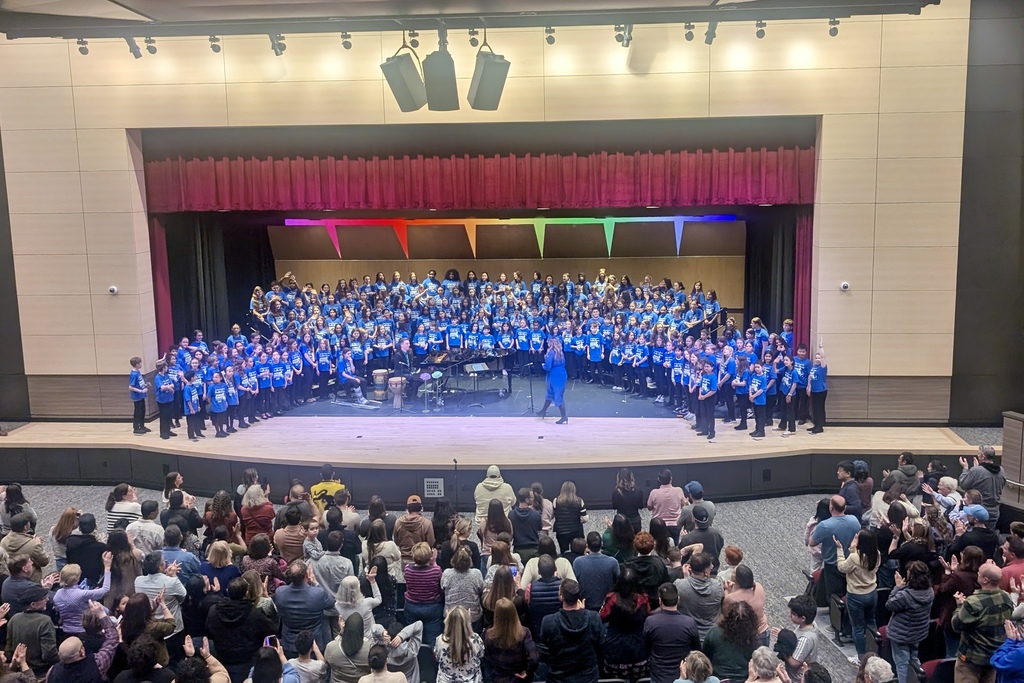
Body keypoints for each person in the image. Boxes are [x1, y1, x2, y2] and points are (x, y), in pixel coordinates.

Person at [206, 577, 279, 683]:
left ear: (227, 591)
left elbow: (209, 632)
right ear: (246, 593)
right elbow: (272, 630)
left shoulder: (213, 611)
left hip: (223, 658)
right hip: (247, 661)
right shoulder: (255, 614)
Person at [951, 560, 1014, 683]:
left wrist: (959, 607)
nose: (977, 575)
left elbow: (956, 625)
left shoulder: (973, 602)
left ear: (985, 580)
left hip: (971, 659)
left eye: (979, 574)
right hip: (993, 657)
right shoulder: (1006, 597)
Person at [537, 580, 602, 683]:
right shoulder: (594, 618)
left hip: (558, 679)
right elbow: (599, 646)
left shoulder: (548, 621)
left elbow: (544, 653)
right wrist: (583, 613)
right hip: (588, 678)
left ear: (561, 597)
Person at [46, 599, 120, 683]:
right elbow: (113, 639)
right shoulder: (97, 664)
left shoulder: (52, 672)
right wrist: (102, 614)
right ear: (82, 651)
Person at [885, 560, 934, 683]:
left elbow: (890, 604)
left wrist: (897, 587)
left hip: (901, 634)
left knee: (901, 663)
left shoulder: (905, 596)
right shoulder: (930, 591)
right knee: (913, 658)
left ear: (911, 576)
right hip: (918, 632)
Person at [274, 560, 335, 657]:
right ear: (307, 575)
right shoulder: (317, 593)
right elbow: (331, 602)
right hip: (314, 645)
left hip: (289, 645)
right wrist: (316, 583)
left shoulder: (280, 593)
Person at [643, 583, 700, 683]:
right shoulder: (689, 623)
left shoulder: (650, 622)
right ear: (678, 599)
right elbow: (696, 649)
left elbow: (646, 647)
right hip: (683, 676)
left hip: (658, 676)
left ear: (660, 600)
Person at [835, 530, 879, 660]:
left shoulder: (855, 557)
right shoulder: (876, 554)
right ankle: (874, 652)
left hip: (856, 595)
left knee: (858, 627)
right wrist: (853, 549)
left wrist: (840, 551)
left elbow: (842, 567)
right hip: (872, 592)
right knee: (871, 622)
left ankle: (861, 657)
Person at [808, 495, 860, 599]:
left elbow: (812, 543)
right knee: (848, 592)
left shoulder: (825, 525)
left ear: (831, 508)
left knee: (833, 597)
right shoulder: (854, 520)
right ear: (845, 508)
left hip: (833, 566)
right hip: (850, 562)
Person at [6, 582, 58, 676]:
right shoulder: (45, 621)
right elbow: (49, 654)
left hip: (18, 671)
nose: (47, 599)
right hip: (40, 672)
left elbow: (8, 650)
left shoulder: (14, 618)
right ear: (33, 604)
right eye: (43, 598)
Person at [53, 553, 112, 634]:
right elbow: (105, 589)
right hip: (82, 630)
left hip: (66, 630)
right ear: (77, 578)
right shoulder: (82, 594)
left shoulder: (57, 595)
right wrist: (107, 568)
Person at [483, 597, 538, 683]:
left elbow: (486, 660)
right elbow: (534, 658)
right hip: (518, 679)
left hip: (498, 679)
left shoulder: (488, 635)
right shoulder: (524, 632)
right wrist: (527, 672)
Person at [700, 600, 758, 681]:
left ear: (728, 617)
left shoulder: (715, 633)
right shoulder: (754, 640)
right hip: (743, 680)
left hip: (717, 678)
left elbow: (705, 655)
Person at [674, 552, 723, 643]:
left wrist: (686, 579)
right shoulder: (717, 587)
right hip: (710, 635)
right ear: (706, 571)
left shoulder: (679, 585)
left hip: (687, 633)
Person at [401, 542, 443, 647]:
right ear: (429, 556)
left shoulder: (408, 569)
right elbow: (440, 584)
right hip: (432, 608)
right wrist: (434, 562)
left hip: (412, 606)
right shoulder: (436, 570)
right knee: (433, 639)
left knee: (413, 637)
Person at [770, 595, 819, 681]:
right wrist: (785, 635)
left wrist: (783, 641)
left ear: (803, 618)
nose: (790, 616)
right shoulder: (811, 624)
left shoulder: (805, 639)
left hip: (797, 678)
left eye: (793, 614)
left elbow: (794, 662)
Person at [958, 445, 1006, 528]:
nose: (978, 455)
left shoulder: (976, 471)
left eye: (979, 453)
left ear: (983, 456)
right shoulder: (1001, 470)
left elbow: (963, 484)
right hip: (995, 510)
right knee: (989, 535)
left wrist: (965, 469)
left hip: (978, 510)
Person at [434, 606, 484, 683]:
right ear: (468, 622)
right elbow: (481, 655)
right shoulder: (475, 639)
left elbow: (437, 658)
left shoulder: (440, 640)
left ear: (448, 621)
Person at [573, 532, 620, 611]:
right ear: (601, 544)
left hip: (586, 606)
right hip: (608, 605)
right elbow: (618, 582)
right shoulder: (613, 562)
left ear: (587, 546)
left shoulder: (578, 562)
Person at [441, 546, 484, 629]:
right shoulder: (476, 573)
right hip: (472, 617)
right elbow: (481, 590)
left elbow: (442, 589)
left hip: (451, 615)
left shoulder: (446, 573)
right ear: (470, 559)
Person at [3, 512, 52, 582]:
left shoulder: (3, 541)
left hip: (13, 579)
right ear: (26, 527)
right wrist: (37, 543)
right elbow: (44, 561)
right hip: (31, 579)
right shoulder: (33, 544)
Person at [678, 506, 725, 571]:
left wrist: (684, 538)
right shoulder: (717, 532)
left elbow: (681, 554)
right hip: (713, 568)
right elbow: (720, 545)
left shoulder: (688, 538)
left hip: (695, 571)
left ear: (693, 519)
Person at [393, 496, 435, 565]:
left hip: (405, 559)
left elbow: (397, 541)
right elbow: (431, 543)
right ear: (420, 508)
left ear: (408, 508)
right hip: (422, 558)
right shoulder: (426, 523)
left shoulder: (398, 522)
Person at [536, 335, 568, 424]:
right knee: (551, 393)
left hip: (554, 375)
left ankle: (564, 416)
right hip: (562, 373)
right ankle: (543, 411)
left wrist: (543, 366)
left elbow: (548, 367)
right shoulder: (560, 352)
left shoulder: (550, 353)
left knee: (557, 395)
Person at [647, 469, 685, 544]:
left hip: (659, 525)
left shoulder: (653, 493)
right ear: (671, 479)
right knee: (674, 545)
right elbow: (683, 504)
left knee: (659, 546)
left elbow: (649, 507)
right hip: (675, 524)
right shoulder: (679, 490)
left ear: (659, 480)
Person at [552, 481, 587, 555]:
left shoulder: (556, 501)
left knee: (564, 551)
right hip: (576, 530)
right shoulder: (579, 501)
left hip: (561, 532)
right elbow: (585, 518)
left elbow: (553, 514)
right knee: (578, 551)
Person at [508, 488, 542, 564]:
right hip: (534, 549)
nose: (533, 499)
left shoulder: (511, 515)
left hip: (518, 550)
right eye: (532, 497)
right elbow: (540, 528)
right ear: (527, 500)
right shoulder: (536, 514)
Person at [611, 468, 644, 534]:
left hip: (621, 521)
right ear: (632, 478)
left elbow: (614, 507)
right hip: (635, 521)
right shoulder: (638, 491)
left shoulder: (615, 492)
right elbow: (641, 506)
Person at [806, 340, 827, 433]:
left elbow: (823, 357)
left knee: (819, 408)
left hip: (821, 391)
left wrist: (821, 347)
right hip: (814, 390)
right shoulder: (814, 367)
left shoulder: (822, 368)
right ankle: (816, 425)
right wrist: (809, 386)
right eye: (816, 357)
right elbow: (810, 376)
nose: (818, 359)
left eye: (819, 358)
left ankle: (820, 426)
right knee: (814, 408)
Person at [128, 356, 149, 435]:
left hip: (141, 396)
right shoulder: (133, 374)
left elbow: (139, 383)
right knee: (138, 412)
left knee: (143, 411)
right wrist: (141, 391)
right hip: (137, 397)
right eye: (140, 363)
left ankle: (142, 425)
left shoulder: (138, 372)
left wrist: (145, 385)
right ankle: (136, 428)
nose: (141, 364)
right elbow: (131, 387)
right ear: (136, 364)